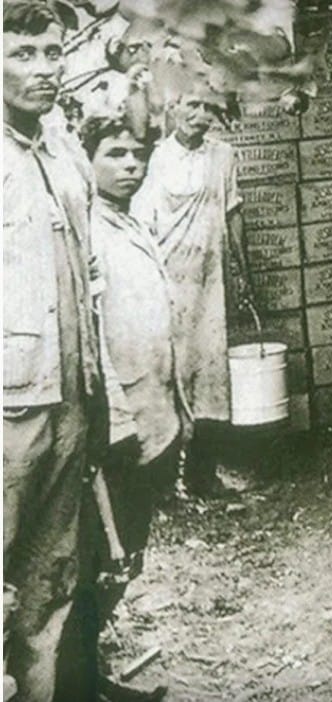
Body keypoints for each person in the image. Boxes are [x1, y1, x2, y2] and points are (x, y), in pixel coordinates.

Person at [3, 2, 106, 699]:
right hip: (8, 408)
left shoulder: (63, 150)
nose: (44, 68)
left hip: (70, 395)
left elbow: (90, 271)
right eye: (23, 53)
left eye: (52, 52)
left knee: (49, 575)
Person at [79, 115, 187, 702]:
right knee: (102, 557)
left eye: (138, 154)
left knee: (129, 552)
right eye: (115, 154)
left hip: (154, 413)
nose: (131, 165)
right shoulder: (86, 232)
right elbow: (92, 339)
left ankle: (87, 672)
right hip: (116, 425)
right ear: (86, 159)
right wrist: (114, 419)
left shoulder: (130, 220)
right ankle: (78, 681)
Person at [132, 86, 251, 498]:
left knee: (209, 373)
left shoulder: (223, 155)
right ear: (173, 105)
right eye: (192, 104)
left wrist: (243, 273)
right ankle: (163, 480)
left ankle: (202, 474)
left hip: (209, 283)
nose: (200, 115)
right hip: (166, 282)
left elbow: (233, 212)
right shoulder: (154, 158)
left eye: (208, 107)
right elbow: (140, 226)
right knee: (168, 372)